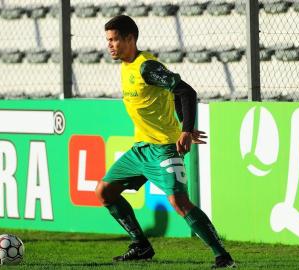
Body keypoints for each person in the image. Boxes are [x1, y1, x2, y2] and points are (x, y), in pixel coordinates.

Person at [95, 15, 236, 268]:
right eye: (108, 40)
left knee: (179, 202)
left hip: (164, 149)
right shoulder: (125, 65)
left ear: (130, 39)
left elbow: (185, 91)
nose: (110, 45)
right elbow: (171, 98)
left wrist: (186, 130)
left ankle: (223, 257)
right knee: (104, 191)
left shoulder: (146, 67)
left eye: (115, 39)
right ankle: (141, 245)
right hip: (140, 149)